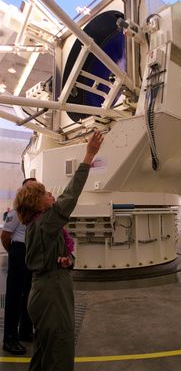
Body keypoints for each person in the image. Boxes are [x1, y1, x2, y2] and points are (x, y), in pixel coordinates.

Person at [14, 130, 103, 371]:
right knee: (60, 353)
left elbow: (52, 254)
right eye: (44, 193)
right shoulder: (46, 221)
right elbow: (70, 194)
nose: (50, 194)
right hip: (52, 293)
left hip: (42, 290)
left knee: (43, 352)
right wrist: (89, 156)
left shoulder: (36, 225)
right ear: (36, 202)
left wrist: (67, 261)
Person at [1, 178, 36, 355]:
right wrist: (14, 253)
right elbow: (5, 236)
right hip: (19, 252)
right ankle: (9, 339)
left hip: (31, 254)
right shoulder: (16, 213)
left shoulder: (37, 213)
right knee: (14, 297)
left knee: (29, 295)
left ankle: (25, 331)